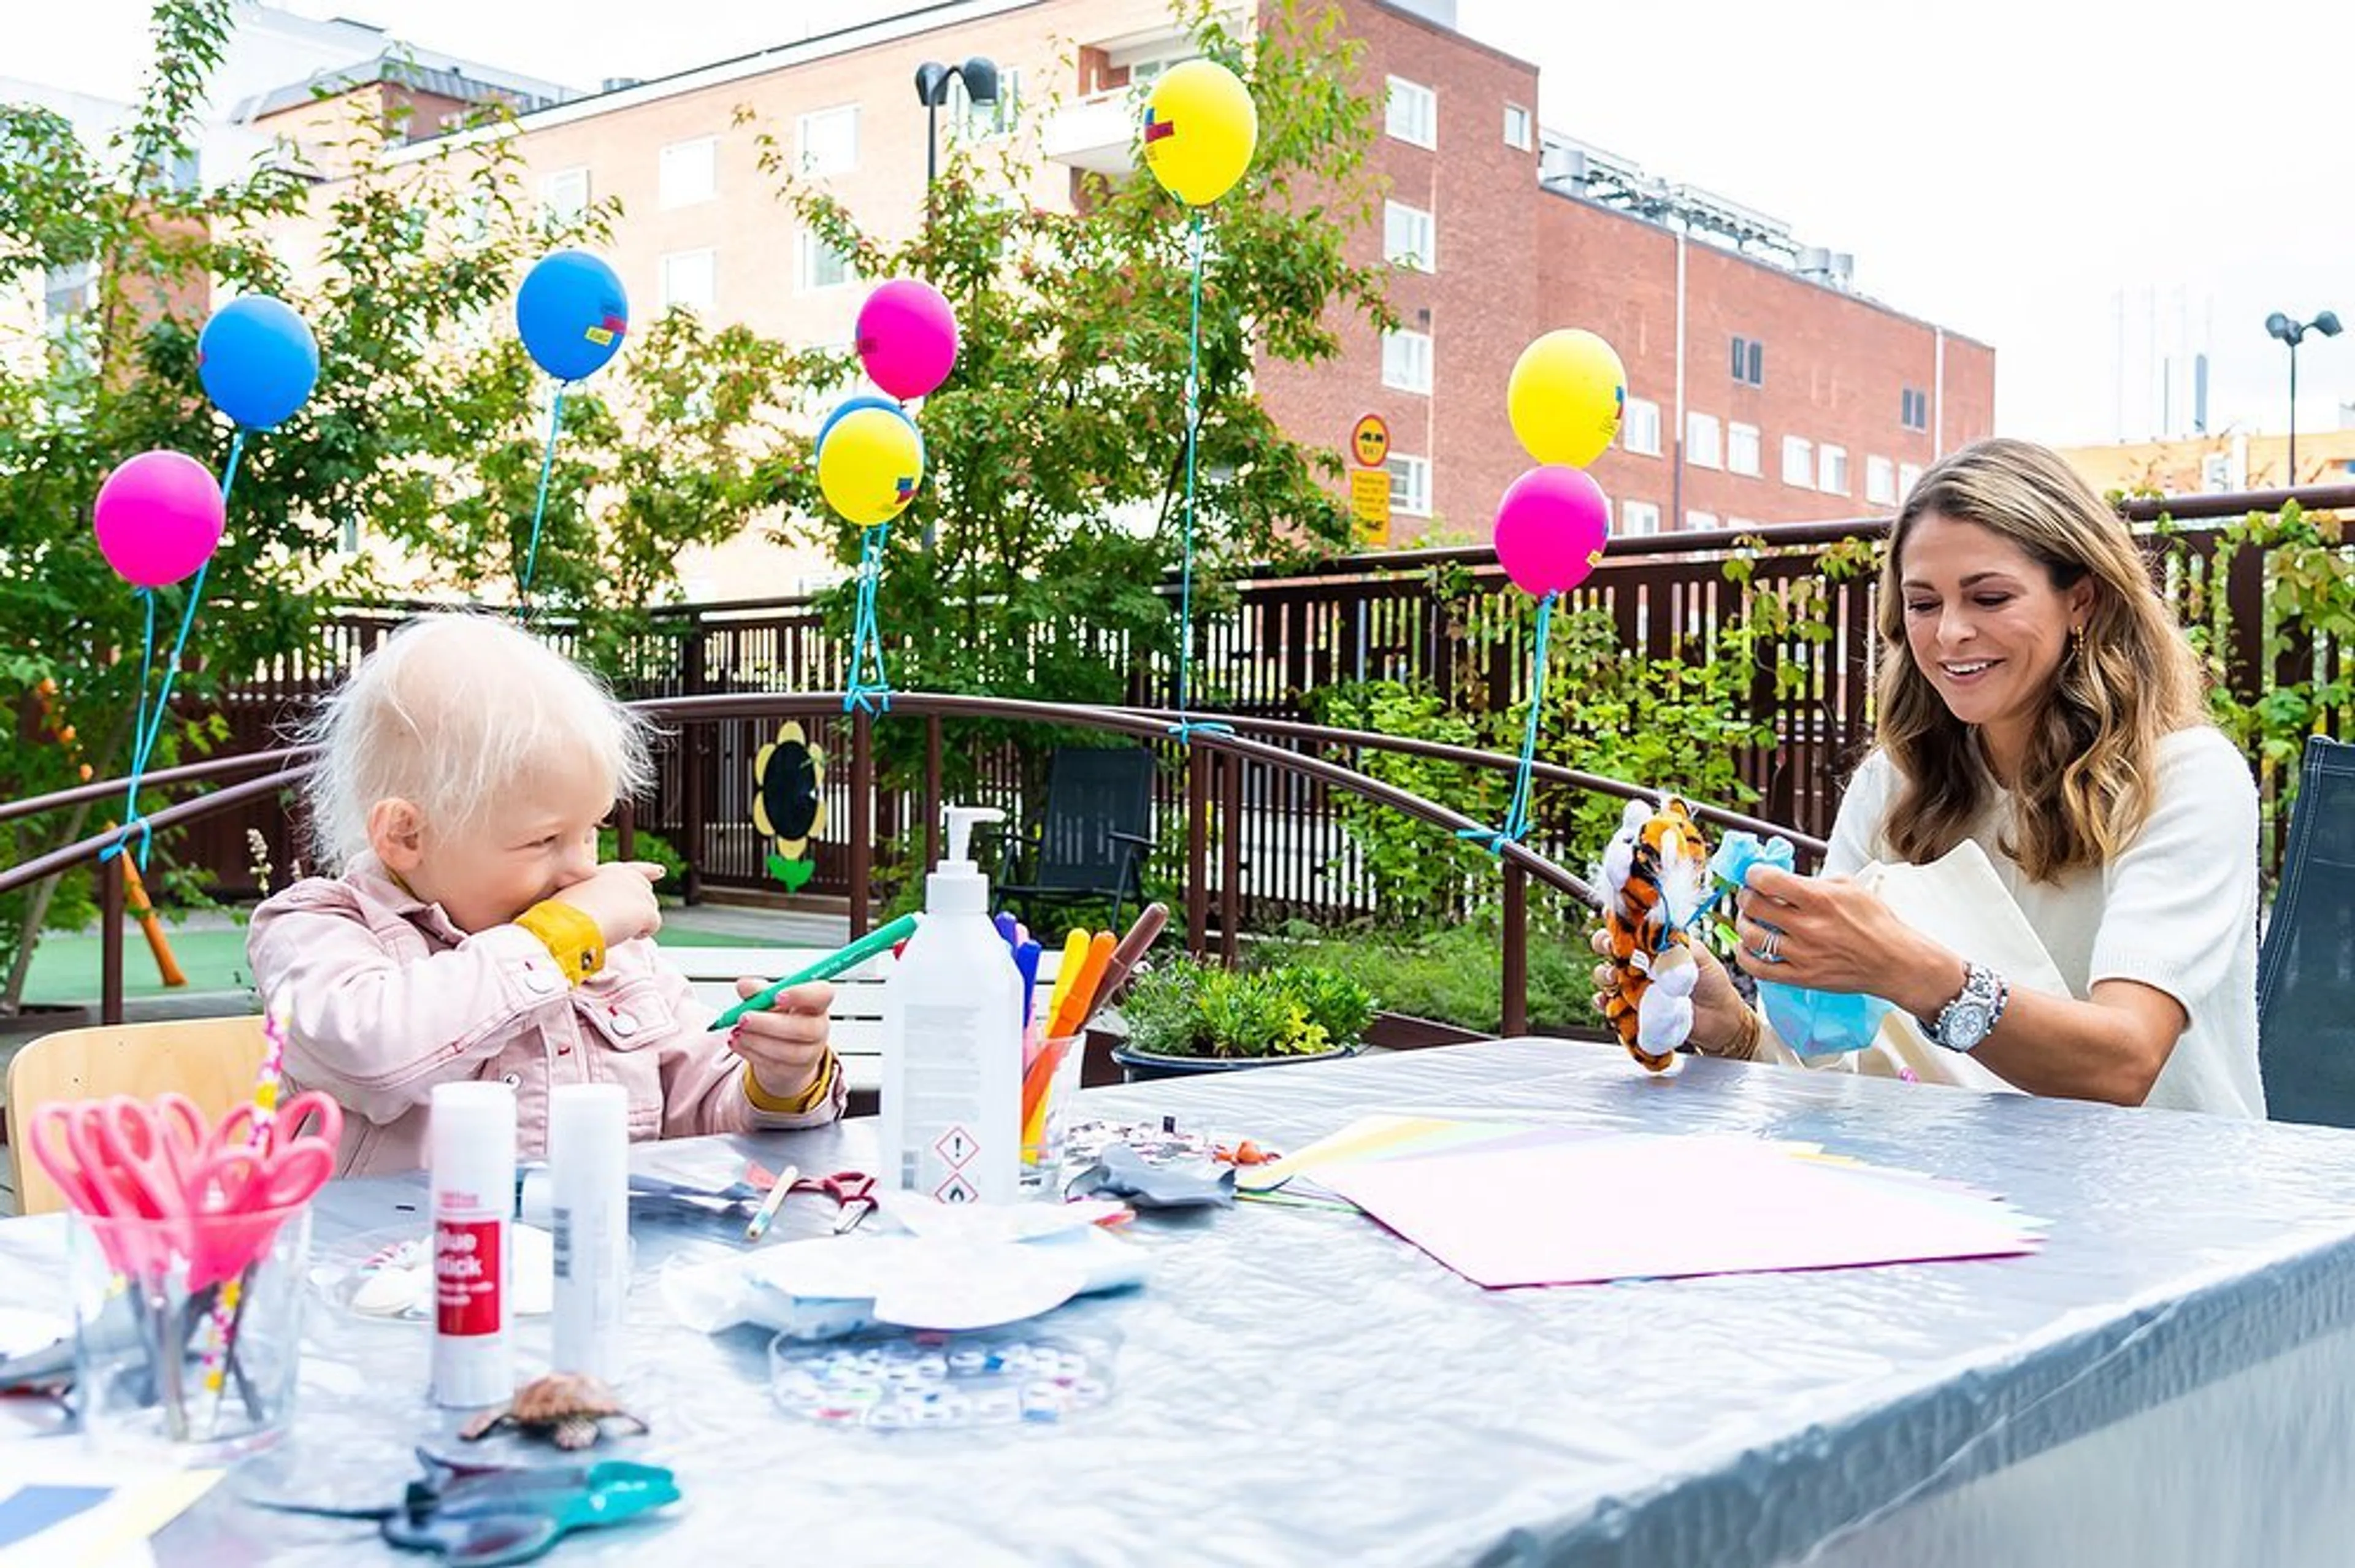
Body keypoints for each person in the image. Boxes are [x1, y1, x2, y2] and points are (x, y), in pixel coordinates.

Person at [1602, 437, 2264, 1117]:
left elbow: (2124, 1062)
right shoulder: (1893, 785)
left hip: (2168, 1203)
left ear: (2083, 602)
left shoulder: (2186, 779)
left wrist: (1908, 969)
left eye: (1989, 597)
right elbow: (1853, 1069)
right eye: (1923, 604)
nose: (1950, 633)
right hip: (1965, 1196)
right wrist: (1736, 1030)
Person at [248, 613, 843, 1174]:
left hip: (599, 1259)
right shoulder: (317, 928)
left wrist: (778, 1079)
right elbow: (375, 1055)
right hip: (400, 1273)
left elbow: (700, 1109)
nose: (581, 868)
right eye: (544, 840)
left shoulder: (610, 951)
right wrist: (560, 938)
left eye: (591, 831)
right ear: (407, 834)